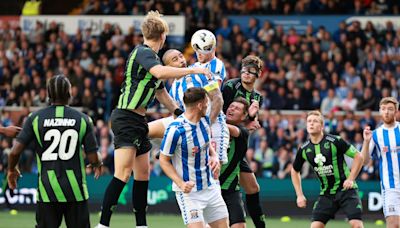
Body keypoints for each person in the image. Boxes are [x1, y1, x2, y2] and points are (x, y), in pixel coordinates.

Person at [97, 11, 210, 228]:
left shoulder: (152, 59)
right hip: (125, 117)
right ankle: (103, 225)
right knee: (123, 173)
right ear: (163, 37)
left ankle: (141, 225)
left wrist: (179, 114)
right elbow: (159, 73)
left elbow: (162, 94)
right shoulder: (143, 53)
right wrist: (192, 69)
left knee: (143, 174)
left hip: (138, 121)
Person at [7, 75, 102, 228]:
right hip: (75, 191)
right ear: (70, 94)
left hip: (47, 191)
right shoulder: (84, 119)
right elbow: (92, 157)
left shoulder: (34, 118)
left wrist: (11, 169)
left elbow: (14, 152)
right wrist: (98, 163)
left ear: (49, 95)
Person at [159, 87, 228, 228]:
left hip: (210, 187)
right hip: (190, 194)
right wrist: (181, 183)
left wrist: (214, 156)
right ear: (200, 105)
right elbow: (163, 161)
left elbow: (207, 144)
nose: (208, 105)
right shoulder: (175, 130)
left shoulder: (204, 122)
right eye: (206, 102)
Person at [291, 111, 364, 228]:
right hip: (326, 194)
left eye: (315, 121)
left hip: (347, 191)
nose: (311, 124)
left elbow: (358, 156)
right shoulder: (304, 149)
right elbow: (294, 171)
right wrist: (299, 195)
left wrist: (351, 179)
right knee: (315, 226)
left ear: (322, 126)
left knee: (357, 225)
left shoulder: (335, 141)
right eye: (309, 121)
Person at [222, 55, 266, 227]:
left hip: (238, 143)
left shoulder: (257, 97)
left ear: (258, 75)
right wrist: (247, 123)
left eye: (251, 72)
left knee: (253, 188)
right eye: (244, 70)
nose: (246, 74)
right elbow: (222, 114)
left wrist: (253, 116)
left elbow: (253, 121)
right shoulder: (231, 86)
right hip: (224, 140)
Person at [362, 97, 400, 227]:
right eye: (383, 109)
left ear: (396, 111)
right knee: (394, 225)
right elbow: (365, 161)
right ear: (379, 111)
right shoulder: (375, 135)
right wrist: (366, 142)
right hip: (390, 188)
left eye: (390, 109)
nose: (387, 112)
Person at [220, 97, 257, 228]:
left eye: (237, 109)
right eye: (231, 106)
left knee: (239, 226)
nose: (232, 109)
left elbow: (230, 130)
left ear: (243, 116)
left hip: (230, 189)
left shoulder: (243, 132)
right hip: (210, 188)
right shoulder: (210, 129)